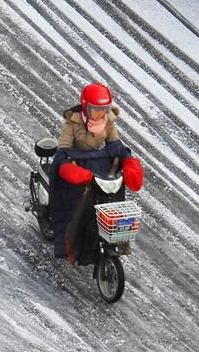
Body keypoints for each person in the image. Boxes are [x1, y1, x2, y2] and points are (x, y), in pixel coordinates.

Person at [49, 83, 144, 260]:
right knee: (73, 206)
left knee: (112, 201)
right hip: (78, 167)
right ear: (86, 107)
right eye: (96, 110)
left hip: (97, 166)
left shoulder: (108, 121)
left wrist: (129, 162)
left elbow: (115, 145)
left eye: (104, 109)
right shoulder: (72, 122)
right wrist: (67, 168)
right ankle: (70, 244)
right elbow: (63, 149)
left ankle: (117, 239)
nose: (101, 114)